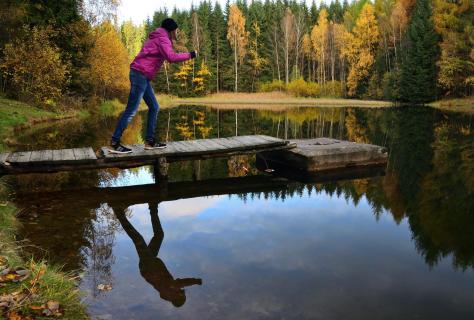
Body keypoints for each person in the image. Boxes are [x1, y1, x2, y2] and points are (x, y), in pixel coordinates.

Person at [110, 18, 196, 154]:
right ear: (171, 29)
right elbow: (171, 57)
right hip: (140, 74)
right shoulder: (163, 38)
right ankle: (114, 143)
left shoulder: (159, 37)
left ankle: (149, 142)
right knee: (131, 110)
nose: (177, 32)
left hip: (142, 75)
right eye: (176, 29)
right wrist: (190, 55)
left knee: (154, 107)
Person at [113, 202, 202, 307]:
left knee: (137, 238)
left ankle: (118, 212)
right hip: (150, 264)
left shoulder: (171, 290)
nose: (181, 291)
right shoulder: (167, 294)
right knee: (159, 235)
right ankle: (153, 206)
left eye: (181, 294)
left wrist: (195, 281)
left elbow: (180, 283)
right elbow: (175, 284)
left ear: (177, 297)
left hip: (148, 265)